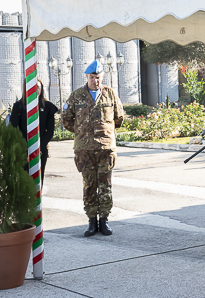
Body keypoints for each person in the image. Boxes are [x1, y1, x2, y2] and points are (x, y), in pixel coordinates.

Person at [62, 59, 124, 237]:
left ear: (102, 77)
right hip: (84, 150)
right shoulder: (76, 96)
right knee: (89, 185)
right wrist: (82, 132)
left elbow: (119, 118)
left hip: (105, 148)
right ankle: (91, 221)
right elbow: (66, 119)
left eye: (97, 77)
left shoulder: (110, 94)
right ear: (86, 77)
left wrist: (106, 132)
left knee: (105, 185)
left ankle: (104, 221)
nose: (94, 81)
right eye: (91, 77)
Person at [10, 78, 59, 181]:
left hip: (41, 150)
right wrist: (26, 150)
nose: (36, 90)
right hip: (22, 151)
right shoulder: (18, 107)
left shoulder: (48, 107)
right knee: (23, 182)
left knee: (37, 182)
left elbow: (49, 131)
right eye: (32, 87)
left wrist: (38, 149)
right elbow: (14, 130)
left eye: (38, 87)